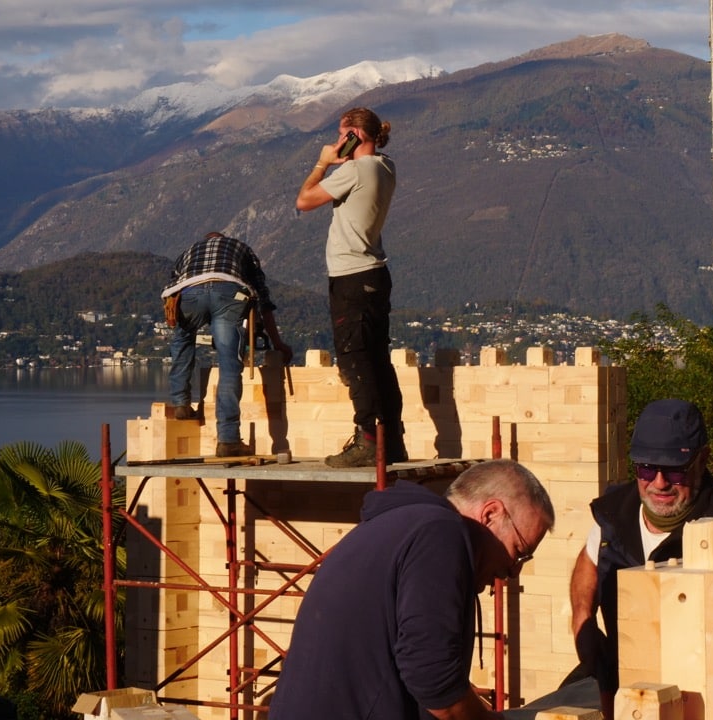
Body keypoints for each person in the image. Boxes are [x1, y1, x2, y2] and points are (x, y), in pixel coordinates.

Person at [268, 459, 555, 719]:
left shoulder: (403, 526)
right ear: (490, 514)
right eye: (519, 552)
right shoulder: (441, 535)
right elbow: (432, 677)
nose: (513, 571)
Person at [568, 399, 713, 718]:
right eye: (647, 468)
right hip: (625, 696)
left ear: (703, 460)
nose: (659, 483)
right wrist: (582, 617)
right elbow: (590, 558)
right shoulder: (614, 514)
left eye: (674, 470)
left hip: (699, 704)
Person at [294, 106, 406, 467]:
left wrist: (323, 162)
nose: (336, 141)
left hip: (351, 277)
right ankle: (392, 440)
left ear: (354, 136)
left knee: (354, 359)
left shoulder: (355, 170)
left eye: (341, 135)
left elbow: (304, 200)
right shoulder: (384, 166)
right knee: (377, 360)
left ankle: (367, 439)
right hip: (376, 275)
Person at [162, 231, 292, 457]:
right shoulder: (241, 248)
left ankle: (181, 404)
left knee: (182, 341)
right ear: (223, 240)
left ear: (206, 241)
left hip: (189, 293)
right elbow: (263, 299)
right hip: (228, 292)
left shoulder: (189, 251)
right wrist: (278, 342)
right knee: (229, 364)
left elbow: (173, 284)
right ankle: (228, 439)